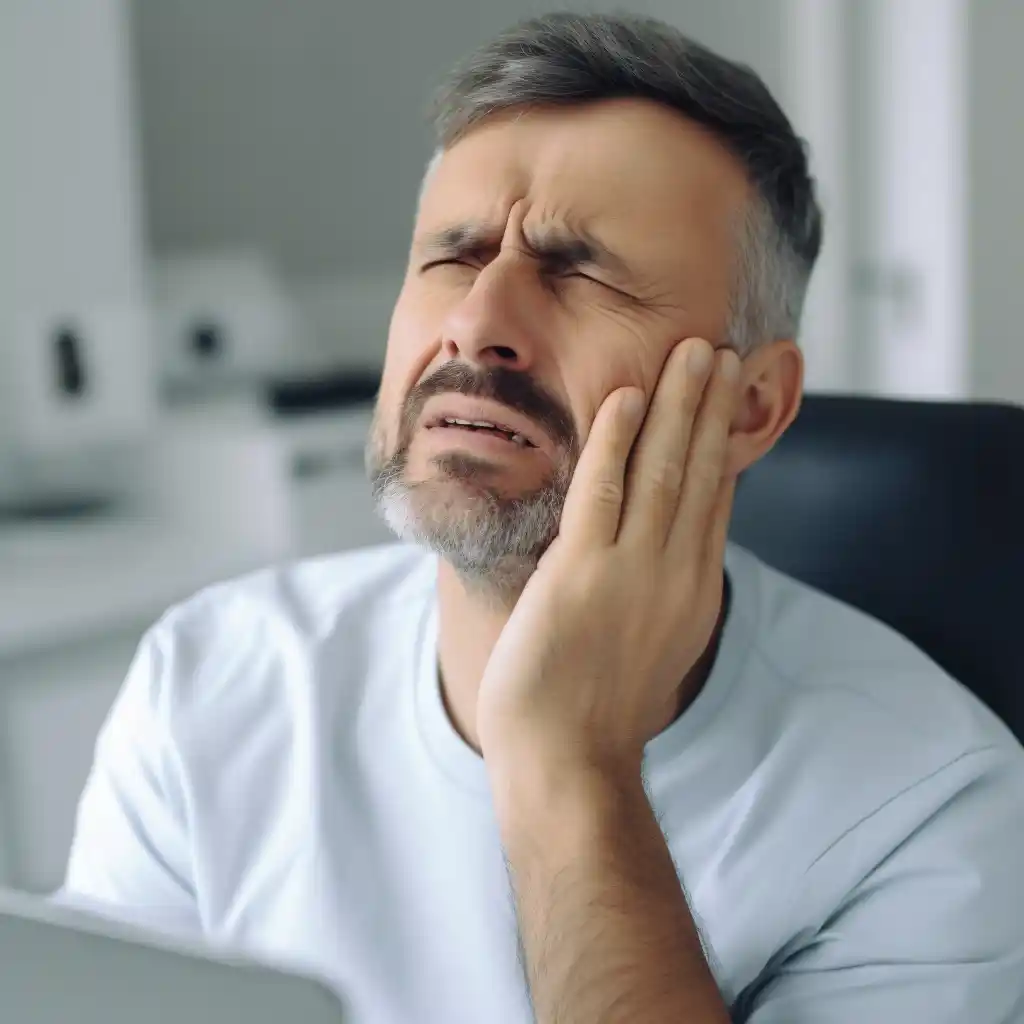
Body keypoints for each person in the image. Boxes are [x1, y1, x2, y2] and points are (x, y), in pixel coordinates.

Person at [59, 12, 1024, 1024]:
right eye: (452, 256)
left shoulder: (932, 810)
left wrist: (567, 758)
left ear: (751, 406)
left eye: (580, 269)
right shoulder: (209, 678)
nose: (477, 323)